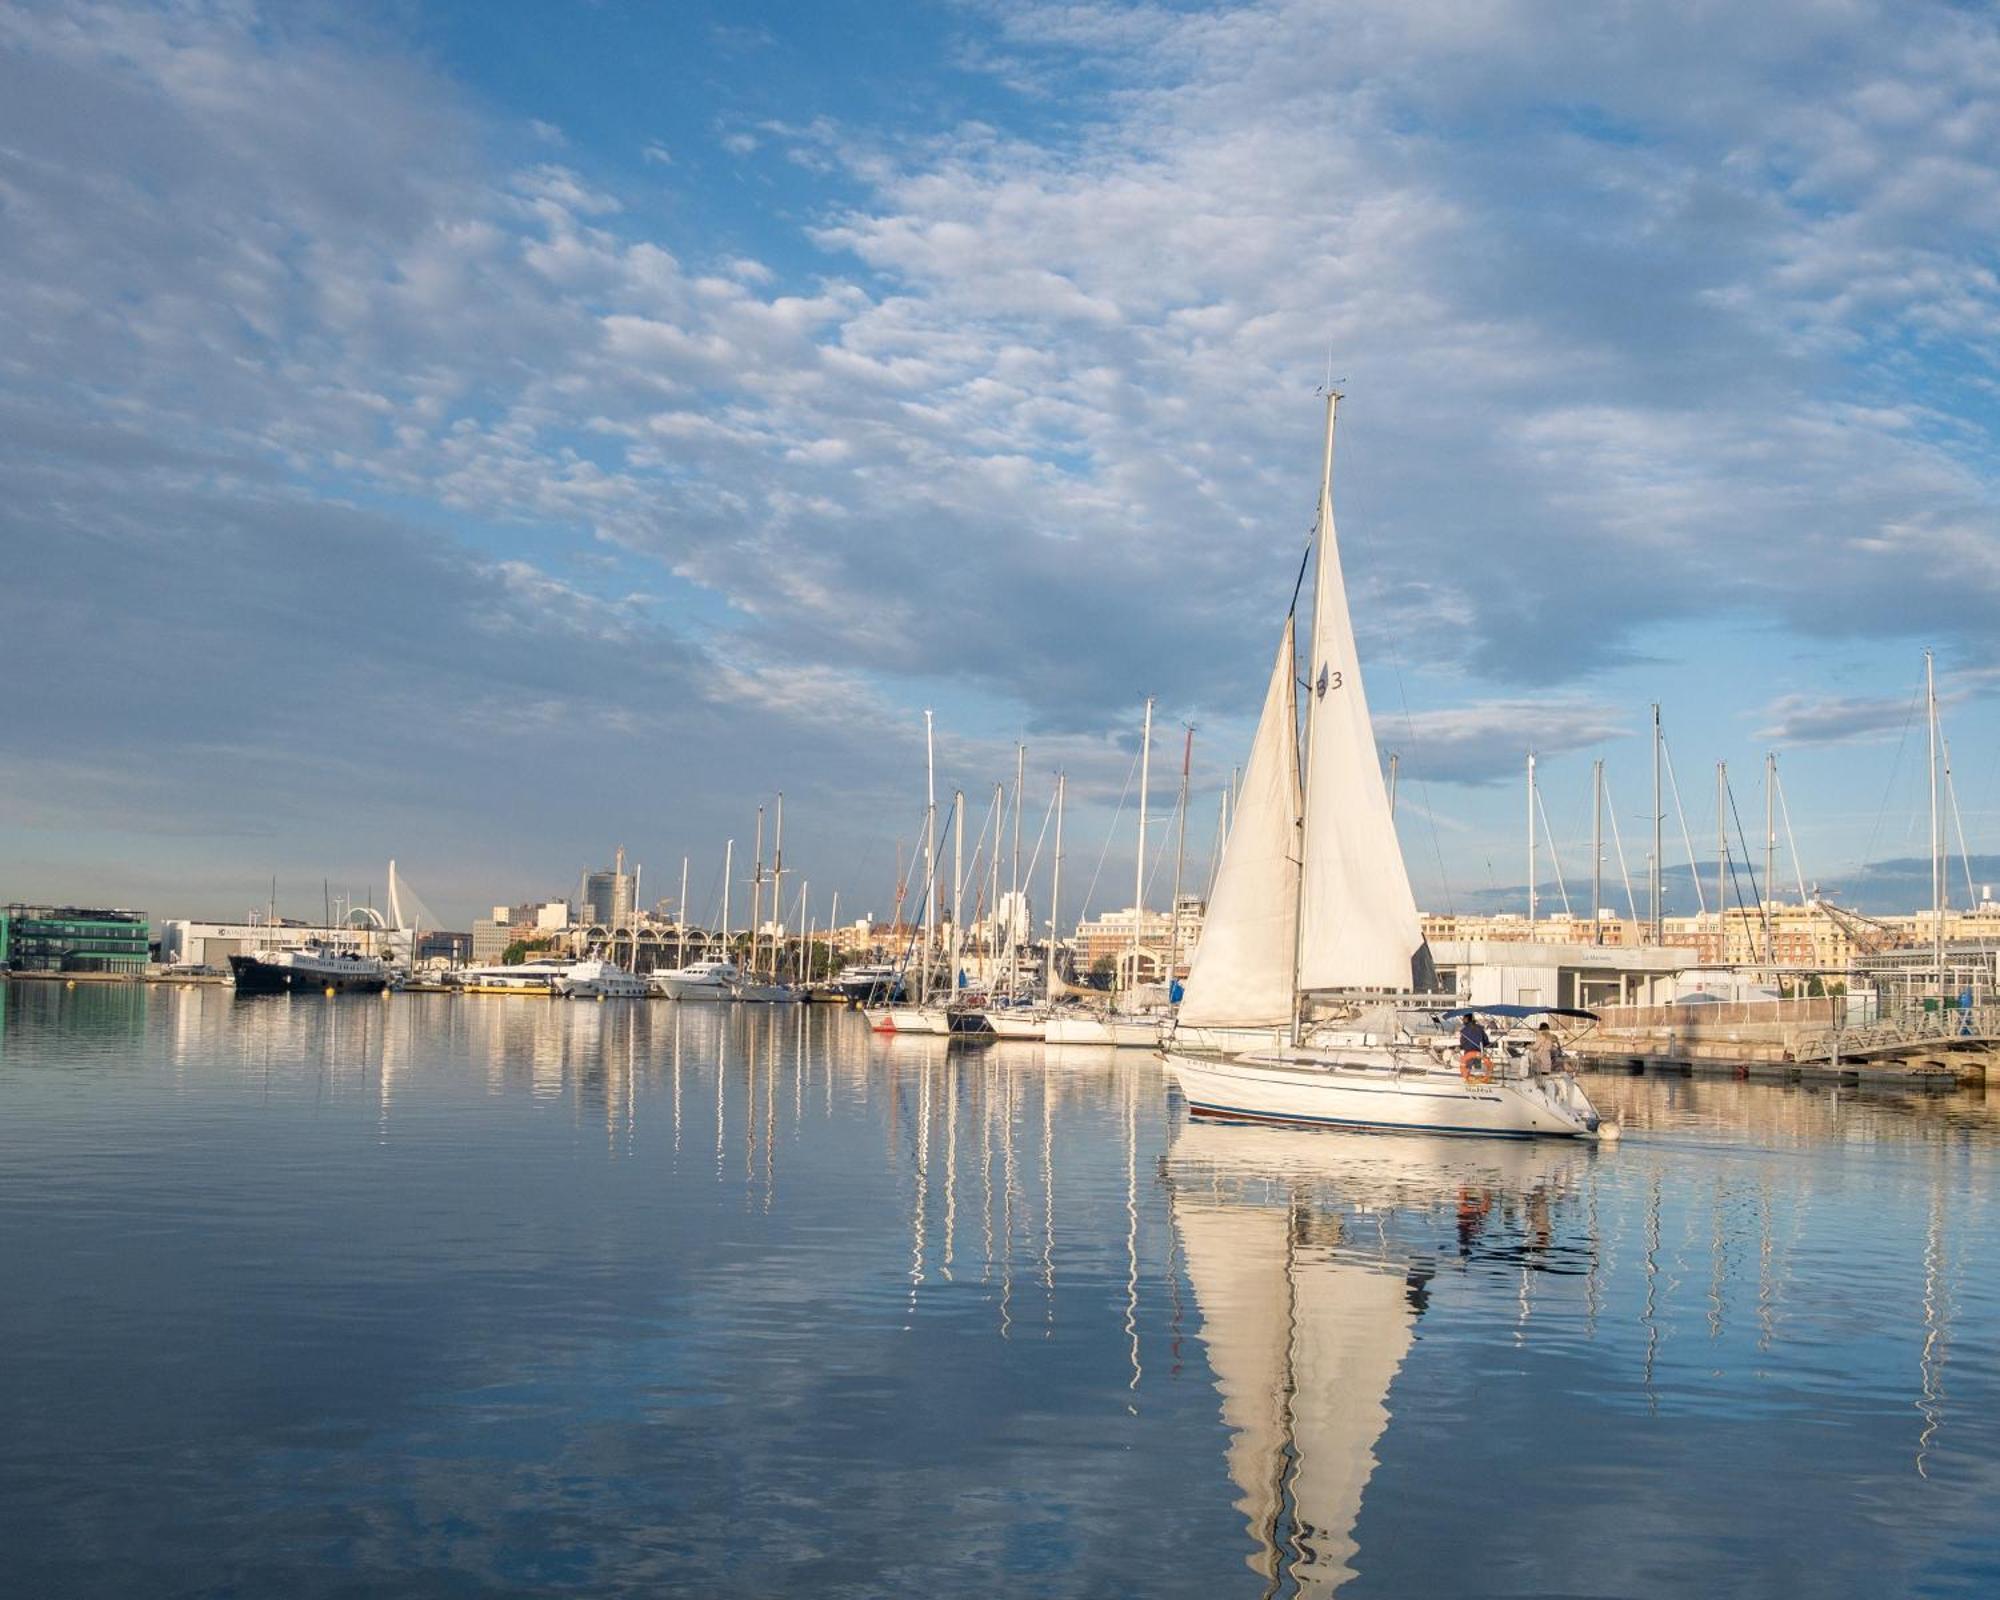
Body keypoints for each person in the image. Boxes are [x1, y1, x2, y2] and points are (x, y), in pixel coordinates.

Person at [1457, 1012, 1492, 1079]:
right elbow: (1485, 1040)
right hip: (1478, 1052)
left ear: (1467, 1019)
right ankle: (1477, 1078)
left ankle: (1468, 1078)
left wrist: (1462, 1046)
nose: (1462, 1020)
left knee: (1468, 1069)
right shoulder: (1480, 1029)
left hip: (1468, 1052)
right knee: (1477, 1068)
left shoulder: (1464, 1031)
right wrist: (1485, 1044)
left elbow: (1463, 1043)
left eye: (1463, 1019)